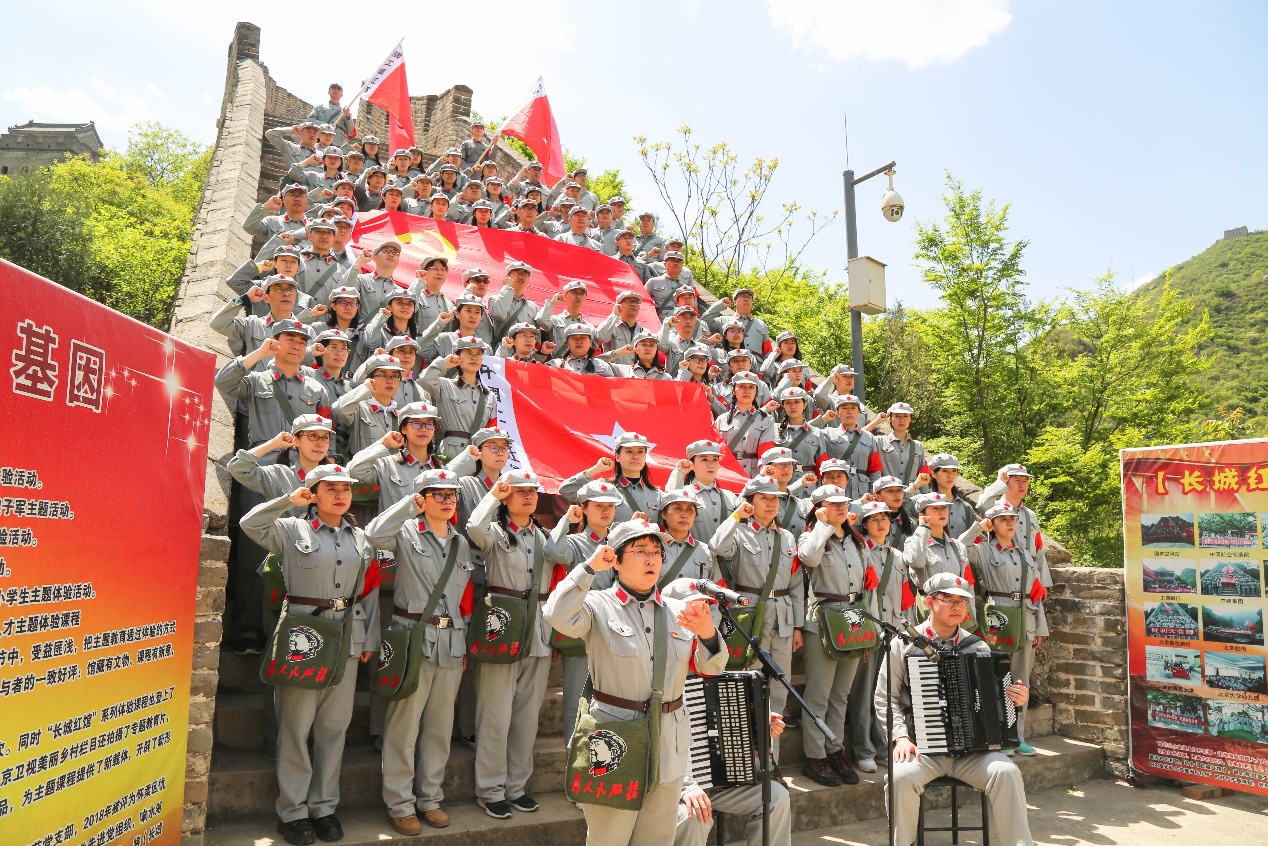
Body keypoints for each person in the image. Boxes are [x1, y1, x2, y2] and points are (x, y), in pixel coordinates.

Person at [542, 519, 729, 846]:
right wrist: (588, 568)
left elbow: (711, 667)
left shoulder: (678, 610)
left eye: (657, 552)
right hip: (615, 740)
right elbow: (556, 614)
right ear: (616, 559)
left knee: (657, 839)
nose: (651, 559)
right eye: (640, 551)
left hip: (669, 741)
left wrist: (708, 634)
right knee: (608, 838)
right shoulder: (599, 605)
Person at [240, 465, 380, 846]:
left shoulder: (361, 539)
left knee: (334, 729)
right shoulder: (290, 529)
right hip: (302, 636)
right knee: (295, 728)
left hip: (346, 640)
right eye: (329, 488)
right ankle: (293, 811)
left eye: (345, 489)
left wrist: (369, 640)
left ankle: (324, 807)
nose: (340, 494)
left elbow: (366, 595)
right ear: (313, 493)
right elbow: (250, 524)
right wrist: (289, 500)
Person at [877, 572, 1033, 846]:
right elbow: (884, 698)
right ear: (929, 602)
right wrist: (900, 737)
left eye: (962, 601)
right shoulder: (903, 645)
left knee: (1006, 772)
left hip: (973, 753)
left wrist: (1014, 699)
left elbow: (994, 704)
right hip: (922, 751)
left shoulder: (979, 646)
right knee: (899, 777)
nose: (957, 606)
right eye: (947, 599)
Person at [365, 468, 475, 834]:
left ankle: (430, 798)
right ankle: (400, 803)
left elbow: (463, 599)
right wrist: (405, 508)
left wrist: (464, 645)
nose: (446, 501)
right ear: (421, 498)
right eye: (437, 494)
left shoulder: (460, 541)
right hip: (412, 636)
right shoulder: (406, 532)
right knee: (403, 726)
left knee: (440, 728)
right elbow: (374, 535)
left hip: (452, 641)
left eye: (451, 495)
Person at [466, 472, 553, 819]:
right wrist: (493, 493)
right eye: (519, 492)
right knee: (495, 715)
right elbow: (473, 527)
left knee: (527, 717)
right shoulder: (495, 533)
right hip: (500, 627)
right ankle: (490, 789)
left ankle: (517, 787)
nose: (528, 497)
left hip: (538, 629)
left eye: (532, 492)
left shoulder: (545, 535)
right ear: (506, 497)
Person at [709, 476, 802, 759]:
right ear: (750, 501)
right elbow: (716, 547)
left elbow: (796, 584)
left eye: (775, 498)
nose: (772, 503)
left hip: (783, 619)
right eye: (764, 497)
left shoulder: (786, 537)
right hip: (749, 617)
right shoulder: (739, 531)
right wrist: (737, 516)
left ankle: (770, 762)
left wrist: (798, 626)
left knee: (778, 691)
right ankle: (743, 759)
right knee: (746, 688)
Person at [797, 485, 873, 786]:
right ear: (818, 508)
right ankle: (814, 756)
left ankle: (834, 749)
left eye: (844, 503)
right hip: (823, 618)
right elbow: (810, 558)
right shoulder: (812, 536)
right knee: (819, 694)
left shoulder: (855, 540)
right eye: (832, 504)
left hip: (854, 616)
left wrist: (871, 624)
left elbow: (867, 585)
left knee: (841, 694)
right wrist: (823, 526)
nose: (841, 508)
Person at [959, 500, 1048, 756]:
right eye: (1002, 519)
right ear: (992, 524)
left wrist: (1040, 627)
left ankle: (1015, 736)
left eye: (1012, 519)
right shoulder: (984, 550)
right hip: (996, 619)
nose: (1009, 522)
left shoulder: (1024, 554)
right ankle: (994, 734)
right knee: (995, 678)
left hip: (1025, 621)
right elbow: (959, 549)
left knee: (1021, 682)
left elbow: (1035, 592)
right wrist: (978, 527)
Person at [546, 480, 624, 755]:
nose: (605, 511)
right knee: (577, 705)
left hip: (616, 632)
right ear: (584, 509)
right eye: (598, 506)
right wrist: (567, 519)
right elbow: (553, 552)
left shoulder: (621, 542)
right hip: (583, 630)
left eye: (610, 506)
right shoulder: (577, 542)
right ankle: (575, 771)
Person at [846, 499, 907, 775]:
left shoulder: (899, 556)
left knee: (888, 694)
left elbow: (905, 598)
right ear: (865, 525)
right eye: (874, 518)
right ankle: (863, 750)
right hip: (868, 631)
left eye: (885, 518)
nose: (881, 522)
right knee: (864, 694)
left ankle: (884, 746)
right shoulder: (858, 552)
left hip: (894, 632)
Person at [674, 711, 792, 846]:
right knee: (694, 815)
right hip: (677, 784)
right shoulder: (666, 692)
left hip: (722, 780)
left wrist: (760, 727)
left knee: (775, 796)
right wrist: (685, 785)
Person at [975, 463, 1053, 595]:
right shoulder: (994, 508)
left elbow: (1038, 549)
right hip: (1004, 573)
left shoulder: (1030, 515)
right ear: (1006, 482)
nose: (1022, 485)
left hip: (1031, 576)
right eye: (1017, 480)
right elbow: (982, 503)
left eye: (1025, 481)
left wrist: (1043, 582)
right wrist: (999, 483)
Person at [419, 338, 497, 462]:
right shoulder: (445, 386)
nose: (474, 357)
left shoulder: (489, 395)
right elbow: (424, 380)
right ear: (457, 357)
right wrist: (444, 363)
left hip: (478, 455)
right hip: (451, 454)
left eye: (478, 353)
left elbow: (492, 428)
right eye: (469, 353)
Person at [561, 432, 664, 523]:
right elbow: (567, 490)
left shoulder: (657, 495)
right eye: (629, 451)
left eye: (640, 451)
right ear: (617, 457)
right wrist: (596, 469)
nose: (635, 456)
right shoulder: (603, 488)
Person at [666, 440, 741, 547]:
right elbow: (668, 501)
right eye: (704, 459)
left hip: (726, 562)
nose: (710, 465)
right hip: (694, 560)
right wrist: (679, 472)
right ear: (692, 464)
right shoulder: (685, 493)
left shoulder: (730, 497)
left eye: (715, 460)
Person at [331, 353, 407, 456]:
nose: (389, 380)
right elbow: (339, 408)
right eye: (383, 375)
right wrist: (364, 388)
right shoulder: (359, 409)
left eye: (394, 376)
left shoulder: (401, 415)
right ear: (370, 379)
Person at [714, 372, 776, 477]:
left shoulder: (766, 420)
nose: (747, 390)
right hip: (728, 472)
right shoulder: (721, 419)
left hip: (754, 474)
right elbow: (717, 451)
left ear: (756, 391)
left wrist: (763, 475)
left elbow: (766, 451)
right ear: (733, 390)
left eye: (751, 387)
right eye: (742, 386)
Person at [657, 487, 719, 585]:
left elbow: (715, 590)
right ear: (663, 513)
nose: (684, 515)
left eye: (690, 509)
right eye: (678, 508)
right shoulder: (653, 548)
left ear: (696, 516)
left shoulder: (706, 552)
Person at [877, 402, 929, 486]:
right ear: (890, 418)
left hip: (912, 495)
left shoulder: (917, 446)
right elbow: (859, 436)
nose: (901, 420)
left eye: (905, 416)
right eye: (897, 416)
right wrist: (877, 421)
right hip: (888, 494)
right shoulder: (879, 441)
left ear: (910, 419)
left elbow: (923, 474)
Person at [926, 453, 978, 538]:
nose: (950, 475)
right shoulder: (924, 503)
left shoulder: (966, 508)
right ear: (934, 474)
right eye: (945, 471)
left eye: (954, 470)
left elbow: (971, 539)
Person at [550, 323, 617, 375]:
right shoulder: (554, 365)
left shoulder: (602, 366)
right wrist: (543, 354)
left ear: (590, 342)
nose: (579, 341)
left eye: (583, 338)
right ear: (567, 342)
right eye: (574, 338)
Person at [412, 255, 456, 331]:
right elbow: (407, 304)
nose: (439, 273)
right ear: (424, 272)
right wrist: (418, 281)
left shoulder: (449, 304)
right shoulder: (418, 296)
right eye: (435, 269)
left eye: (443, 269)